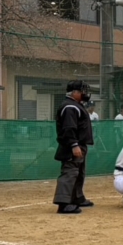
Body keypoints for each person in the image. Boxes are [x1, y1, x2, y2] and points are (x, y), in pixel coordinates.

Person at [53, 80, 95, 214]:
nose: (85, 93)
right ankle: (63, 204)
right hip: (71, 146)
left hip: (78, 145)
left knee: (79, 172)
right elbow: (68, 128)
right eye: (82, 91)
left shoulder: (75, 105)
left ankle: (77, 198)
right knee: (70, 173)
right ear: (74, 93)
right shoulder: (69, 107)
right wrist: (74, 145)